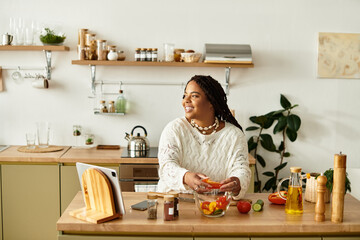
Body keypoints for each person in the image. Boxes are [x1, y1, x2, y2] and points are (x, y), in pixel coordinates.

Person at [157, 75, 251, 200]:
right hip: (173, 204)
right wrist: (186, 177)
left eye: (194, 96)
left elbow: (241, 169)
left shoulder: (234, 135)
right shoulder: (175, 129)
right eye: (185, 95)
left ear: (211, 102)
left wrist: (237, 182)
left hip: (216, 205)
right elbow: (166, 166)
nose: (186, 100)